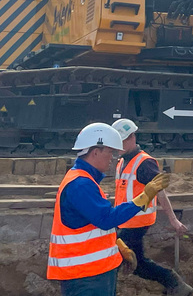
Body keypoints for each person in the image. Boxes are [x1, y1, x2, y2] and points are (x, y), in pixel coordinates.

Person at [48, 122, 170, 295]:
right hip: (86, 276)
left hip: (93, 272)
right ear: (96, 152)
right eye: (110, 152)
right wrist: (143, 198)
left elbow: (93, 223)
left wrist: (117, 244)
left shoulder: (85, 180)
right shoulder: (81, 184)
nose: (113, 158)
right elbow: (106, 219)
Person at [112, 118, 193, 296]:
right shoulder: (122, 161)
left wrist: (173, 220)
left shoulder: (144, 163)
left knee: (118, 260)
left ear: (132, 137)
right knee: (137, 263)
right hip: (124, 220)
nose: (119, 145)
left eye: (123, 140)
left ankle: (175, 284)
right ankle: (175, 284)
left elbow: (160, 191)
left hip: (136, 222)